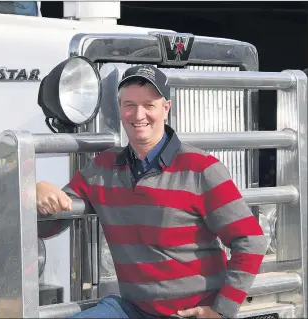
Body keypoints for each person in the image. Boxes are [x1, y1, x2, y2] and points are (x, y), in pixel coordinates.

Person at [36, 65, 268, 319]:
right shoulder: (102, 169)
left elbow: (251, 241)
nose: (138, 114)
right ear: (120, 107)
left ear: (166, 108)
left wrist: (221, 311)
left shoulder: (201, 169)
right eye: (129, 105)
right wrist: (38, 191)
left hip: (189, 313)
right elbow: (50, 224)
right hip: (132, 309)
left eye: (149, 104)